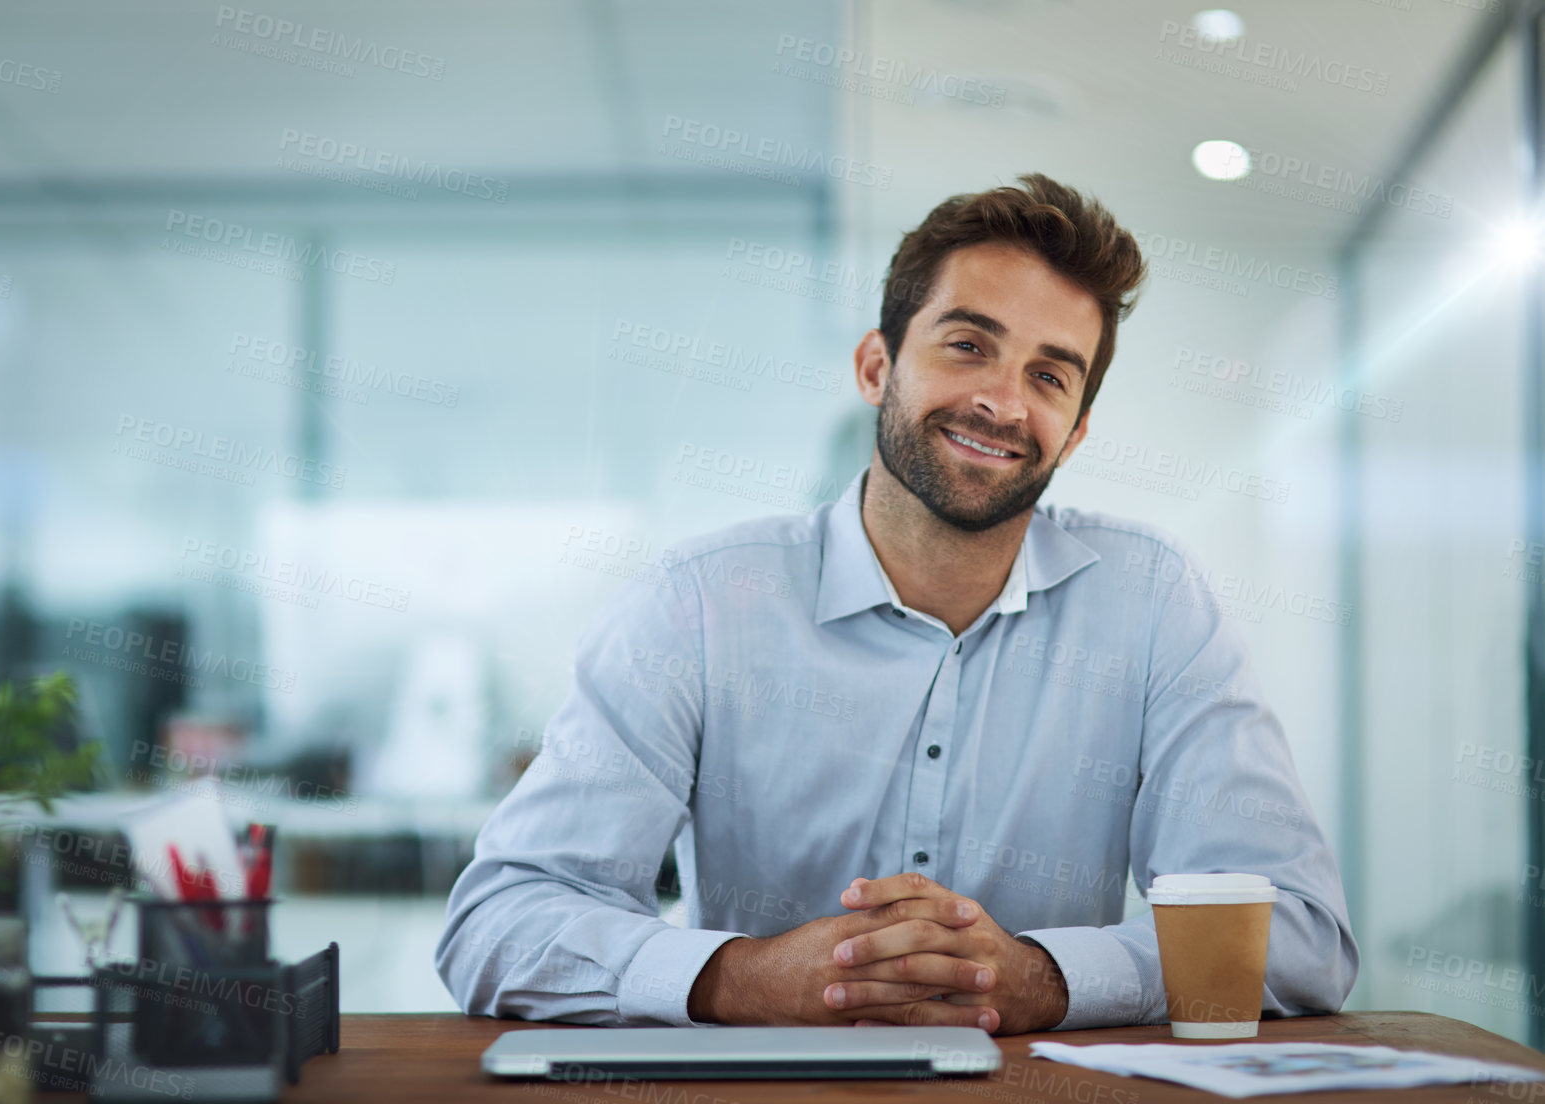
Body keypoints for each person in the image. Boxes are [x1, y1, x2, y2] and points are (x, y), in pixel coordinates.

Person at [435, 173, 1359, 1032]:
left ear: (1074, 434)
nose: (1001, 401)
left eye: (1048, 374)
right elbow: (498, 920)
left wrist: (1037, 975)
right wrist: (746, 977)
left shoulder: (1154, 603)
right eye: (968, 345)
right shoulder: (700, 605)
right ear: (877, 367)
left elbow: (1299, 933)